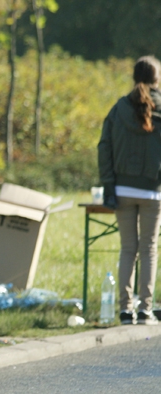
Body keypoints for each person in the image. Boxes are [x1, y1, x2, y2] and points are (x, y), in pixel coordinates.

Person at [98, 56, 161, 326]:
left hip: (122, 189)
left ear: (134, 77)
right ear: (157, 79)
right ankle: (145, 309)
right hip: (153, 191)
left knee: (128, 249)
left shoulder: (119, 108)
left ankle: (125, 311)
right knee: (148, 249)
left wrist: (108, 184)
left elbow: (104, 147)